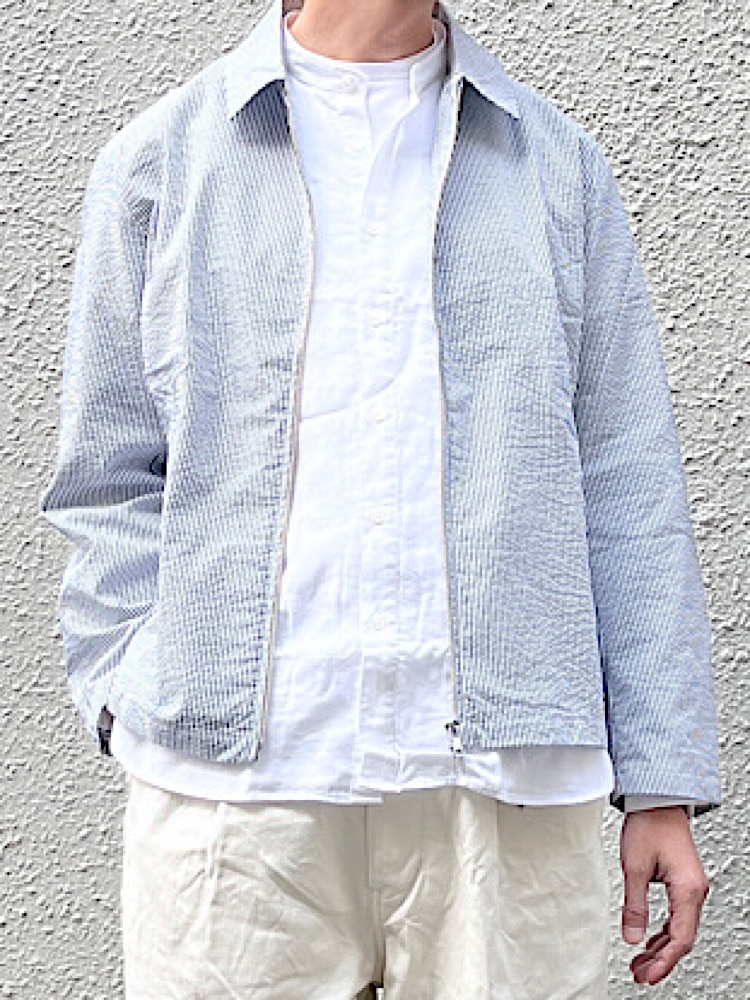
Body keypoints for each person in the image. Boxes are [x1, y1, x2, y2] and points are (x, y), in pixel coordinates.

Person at [38, 0, 722, 996]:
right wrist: (126, 691)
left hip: (509, 791)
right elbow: (107, 477)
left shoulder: (557, 169)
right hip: (232, 795)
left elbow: (626, 484)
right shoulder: (160, 161)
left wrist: (660, 780)